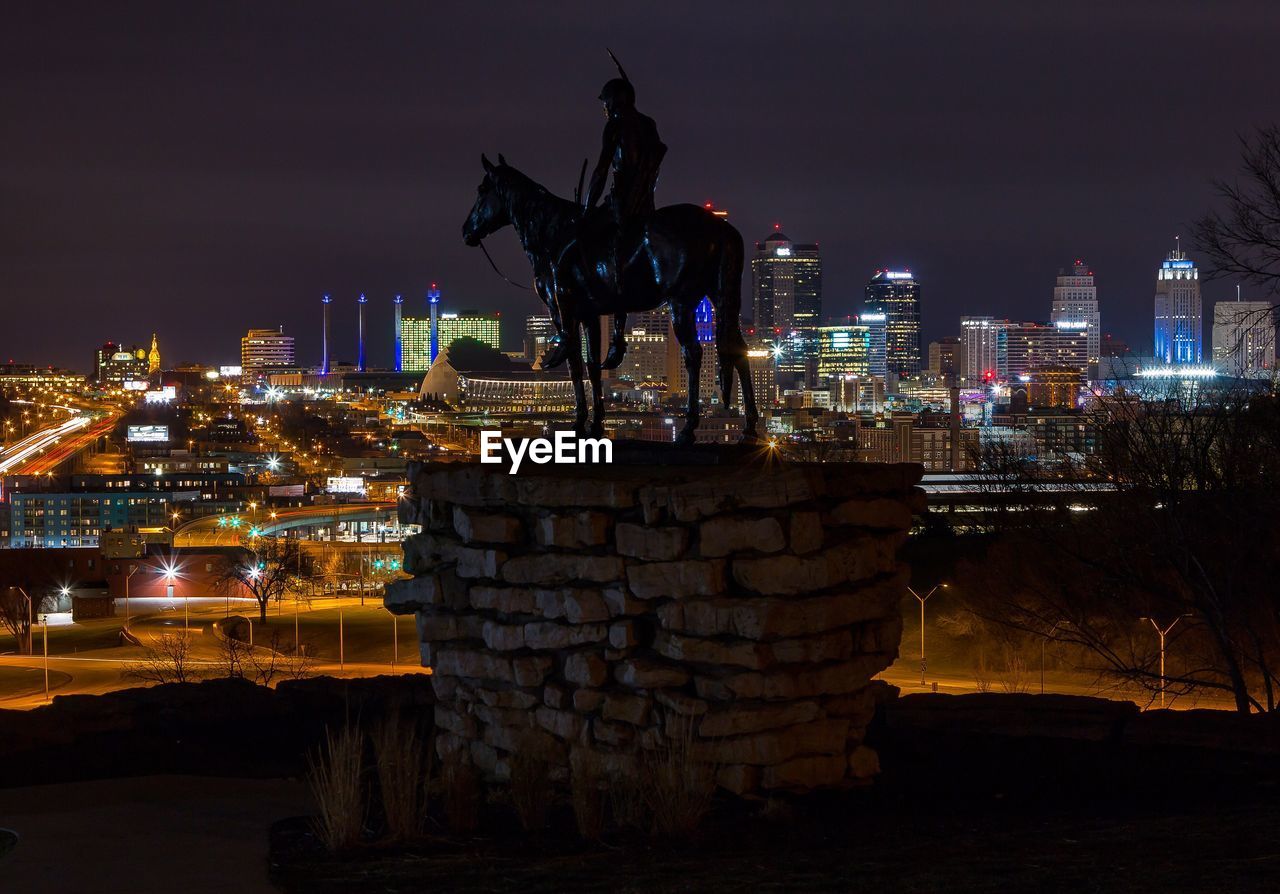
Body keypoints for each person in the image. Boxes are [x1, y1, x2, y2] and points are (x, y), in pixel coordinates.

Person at [542, 52, 666, 371]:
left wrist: (586, 208)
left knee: (572, 252)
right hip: (647, 202)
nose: (604, 107)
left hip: (622, 202)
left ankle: (573, 334)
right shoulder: (648, 124)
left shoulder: (615, 126)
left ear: (615, 100)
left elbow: (600, 171)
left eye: (606, 101)